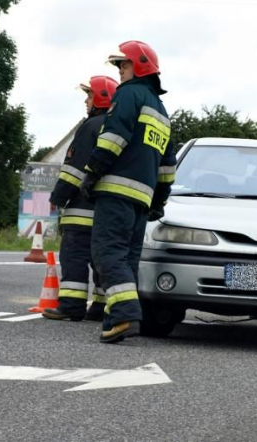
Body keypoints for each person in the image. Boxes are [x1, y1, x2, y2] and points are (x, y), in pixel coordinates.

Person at [80, 40, 176, 344]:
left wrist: (92, 171)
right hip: (142, 200)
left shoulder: (128, 95)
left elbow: (113, 137)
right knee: (127, 260)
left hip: (116, 192)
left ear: (140, 65)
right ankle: (115, 319)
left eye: (123, 64)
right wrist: (158, 201)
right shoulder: (162, 111)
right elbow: (167, 166)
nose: (120, 71)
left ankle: (124, 315)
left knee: (107, 252)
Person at [44, 75, 119, 322]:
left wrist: (58, 196)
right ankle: (99, 307)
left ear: (101, 98)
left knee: (74, 256)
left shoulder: (90, 126)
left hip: (81, 211)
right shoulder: (116, 126)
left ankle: (71, 306)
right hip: (106, 210)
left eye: (89, 95)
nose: (86, 101)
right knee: (100, 261)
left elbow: (74, 169)